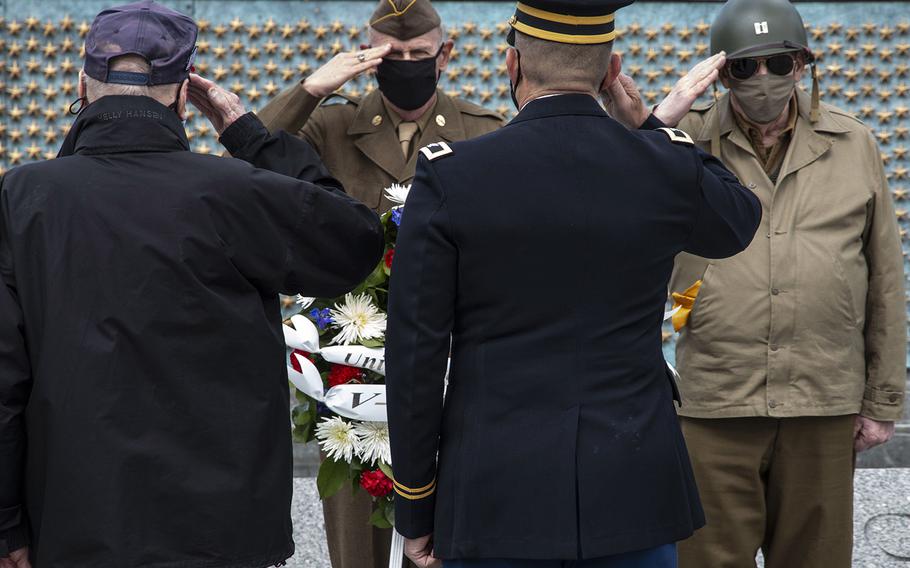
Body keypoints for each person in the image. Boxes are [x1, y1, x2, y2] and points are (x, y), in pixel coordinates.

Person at [0, 2, 383, 567]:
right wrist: (248, 134)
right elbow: (352, 240)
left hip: (75, 527)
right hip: (222, 534)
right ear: (184, 96)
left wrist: (8, 527)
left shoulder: (24, 198)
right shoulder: (231, 192)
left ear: (82, 82)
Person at [384, 0, 763, 566]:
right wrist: (651, 127)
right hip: (634, 487)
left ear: (511, 65)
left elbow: (415, 358)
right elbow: (736, 220)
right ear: (612, 74)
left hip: (495, 492)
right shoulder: (660, 167)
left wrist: (415, 507)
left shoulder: (452, 175)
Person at [610, 0, 907, 566]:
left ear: (802, 64)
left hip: (821, 400)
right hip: (715, 401)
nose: (763, 79)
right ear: (721, 74)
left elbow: (885, 280)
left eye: (778, 63)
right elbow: (607, 202)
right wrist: (658, 124)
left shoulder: (854, 145)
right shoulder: (682, 144)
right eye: (745, 67)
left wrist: (882, 398)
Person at [254, 0, 504, 213]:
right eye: (392, 54)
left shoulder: (485, 132)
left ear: (444, 55)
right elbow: (243, 164)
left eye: (418, 53)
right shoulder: (328, 126)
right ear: (369, 57)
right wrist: (308, 91)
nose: (406, 65)